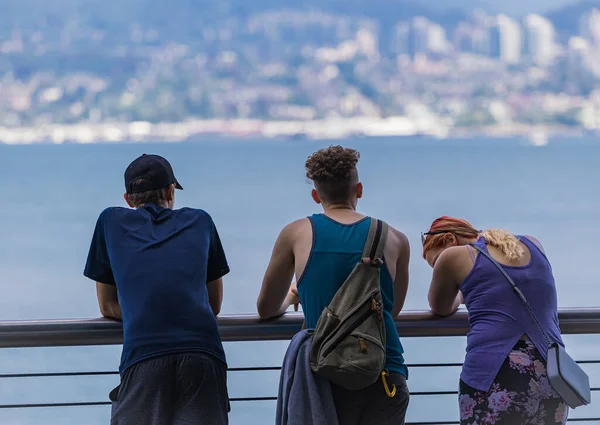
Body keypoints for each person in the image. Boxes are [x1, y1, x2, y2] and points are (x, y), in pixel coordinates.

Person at [257, 145, 411, 425]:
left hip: (326, 374)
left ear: (316, 195)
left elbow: (266, 308)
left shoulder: (295, 234)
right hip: (385, 372)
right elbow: (392, 309)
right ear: (359, 190)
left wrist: (293, 297)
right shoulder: (395, 239)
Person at [83, 154, 230, 425]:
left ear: (128, 199)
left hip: (144, 355)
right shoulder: (201, 221)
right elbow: (214, 304)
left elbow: (106, 306)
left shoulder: (110, 221)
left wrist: (146, 312)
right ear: (171, 192)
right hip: (202, 354)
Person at [421, 216, 568, 425]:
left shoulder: (453, 256)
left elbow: (440, 307)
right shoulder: (533, 243)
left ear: (449, 239)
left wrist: (462, 292)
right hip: (554, 372)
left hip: (496, 372)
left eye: (435, 262)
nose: (437, 268)